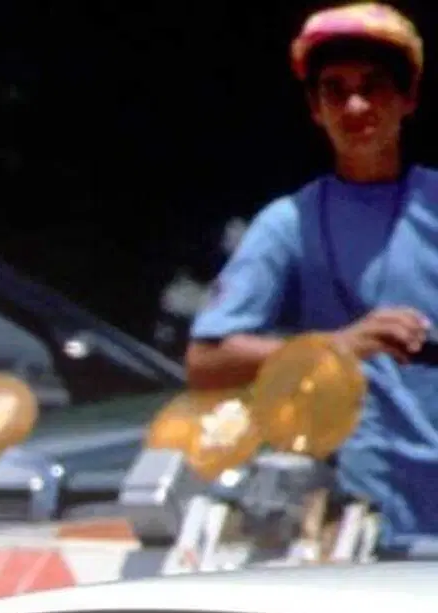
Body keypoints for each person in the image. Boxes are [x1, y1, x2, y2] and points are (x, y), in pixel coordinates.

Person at [186, 3, 438, 553]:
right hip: (361, 523)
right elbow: (207, 360)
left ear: (408, 98)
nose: (355, 105)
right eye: (335, 90)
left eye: (373, 87)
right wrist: (336, 347)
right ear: (315, 108)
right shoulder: (289, 223)